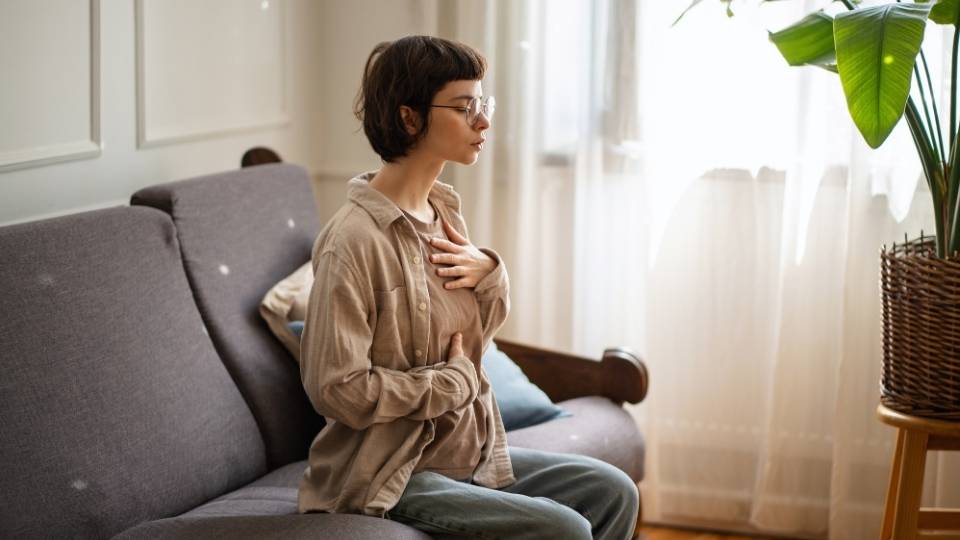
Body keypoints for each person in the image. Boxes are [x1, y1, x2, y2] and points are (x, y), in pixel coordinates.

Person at [297, 35, 639, 540]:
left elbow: (477, 337)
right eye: (465, 107)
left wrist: (491, 275)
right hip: (390, 475)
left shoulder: (442, 212)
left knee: (613, 490)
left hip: (467, 450)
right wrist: (450, 384)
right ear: (409, 118)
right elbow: (337, 389)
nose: (484, 122)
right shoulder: (351, 242)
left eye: (484, 104)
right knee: (563, 529)